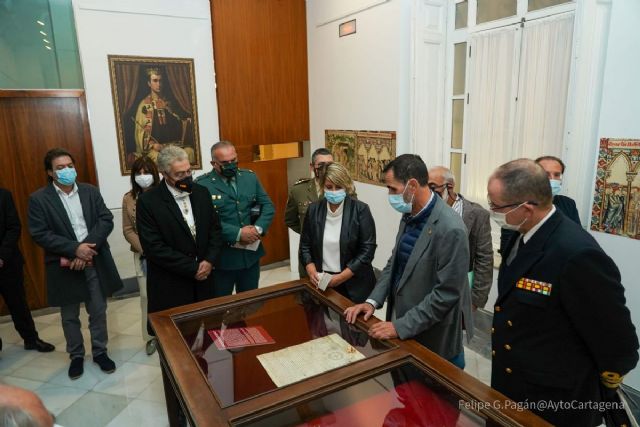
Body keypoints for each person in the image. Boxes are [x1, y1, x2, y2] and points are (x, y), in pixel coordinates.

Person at [487, 159, 638, 426]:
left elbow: (618, 341)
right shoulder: (525, 233)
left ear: (526, 208)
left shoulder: (577, 254)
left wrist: (601, 386)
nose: (492, 211)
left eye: (496, 206)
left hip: (554, 400)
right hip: (515, 383)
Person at [344, 154, 473, 370]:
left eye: (392, 189)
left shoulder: (451, 228)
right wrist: (372, 301)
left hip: (431, 335)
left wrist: (400, 326)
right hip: (402, 320)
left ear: (412, 185)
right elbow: (394, 262)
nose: (390, 195)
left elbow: (446, 294)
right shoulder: (410, 213)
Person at [28, 148, 122, 380]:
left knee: (98, 310)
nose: (67, 170)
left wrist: (85, 250)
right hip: (64, 265)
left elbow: (105, 219)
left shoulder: (90, 191)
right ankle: (76, 355)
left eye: (70, 166)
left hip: (93, 259)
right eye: (60, 168)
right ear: (50, 172)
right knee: (69, 315)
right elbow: (40, 233)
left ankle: (100, 352)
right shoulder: (39, 199)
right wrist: (74, 249)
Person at [137, 146, 223, 333]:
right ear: (164, 173)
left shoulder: (201, 193)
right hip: (172, 284)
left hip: (205, 280)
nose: (186, 177)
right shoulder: (148, 202)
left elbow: (215, 230)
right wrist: (193, 268)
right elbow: (154, 247)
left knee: (209, 334)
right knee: (177, 338)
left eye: (189, 171)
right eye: (179, 174)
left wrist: (209, 261)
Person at [194, 141, 275, 297]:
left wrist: (257, 229)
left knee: (250, 303)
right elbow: (204, 221)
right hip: (222, 259)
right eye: (225, 163)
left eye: (234, 160)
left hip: (250, 256)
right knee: (221, 305)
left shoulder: (249, 177)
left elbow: (267, 206)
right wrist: (238, 234)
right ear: (214, 163)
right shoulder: (202, 185)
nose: (231, 165)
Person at [299, 163, 377, 303]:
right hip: (322, 279)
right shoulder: (314, 210)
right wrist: (311, 269)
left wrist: (340, 278)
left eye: (339, 187)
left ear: (346, 186)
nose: (334, 191)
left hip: (354, 282)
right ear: (322, 186)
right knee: (324, 315)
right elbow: (305, 245)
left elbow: (367, 250)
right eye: (329, 187)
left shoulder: (360, 210)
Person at [428, 166, 493, 310]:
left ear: (449, 186)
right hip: (427, 287)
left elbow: (484, 259)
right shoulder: (425, 210)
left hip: (458, 290)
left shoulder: (477, 214)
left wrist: (475, 300)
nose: (429, 193)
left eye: (433, 188)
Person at [0, 188, 55, 353]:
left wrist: (2, 255)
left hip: (7, 262)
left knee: (18, 304)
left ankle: (31, 339)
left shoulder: (4, 195)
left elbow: (14, 227)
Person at [500, 155, 580, 255]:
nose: (552, 179)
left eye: (557, 175)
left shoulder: (568, 204)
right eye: (546, 174)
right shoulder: (516, 206)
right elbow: (508, 249)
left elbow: (577, 238)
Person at [122, 156, 160, 355]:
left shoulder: (166, 193)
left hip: (167, 255)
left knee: (170, 294)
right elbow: (128, 229)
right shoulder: (129, 198)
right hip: (143, 255)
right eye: (139, 173)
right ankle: (151, 336)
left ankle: (172, 333)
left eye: (147, 172)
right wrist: (146, 249)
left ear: (155, 173)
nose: (143, 176)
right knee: (146, 297)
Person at [133, 67, 194, 163]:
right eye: (155, 81)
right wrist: (152, 145)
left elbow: (178, 123)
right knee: (160, 159)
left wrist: (186, 122)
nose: (159, 84)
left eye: (160, 81)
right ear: (149, 83)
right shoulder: (144, 105)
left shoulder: (170, 103)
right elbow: (140, 133)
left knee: (190, 152)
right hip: (155, 149)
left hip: (172, 146)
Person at [284, 148, 334, 234]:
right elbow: (290, 220)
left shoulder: (343, 189)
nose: (325, 168)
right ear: (312, 167)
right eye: (321, 164)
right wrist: (306, 234)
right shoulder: (299, 190)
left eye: (329, 164)